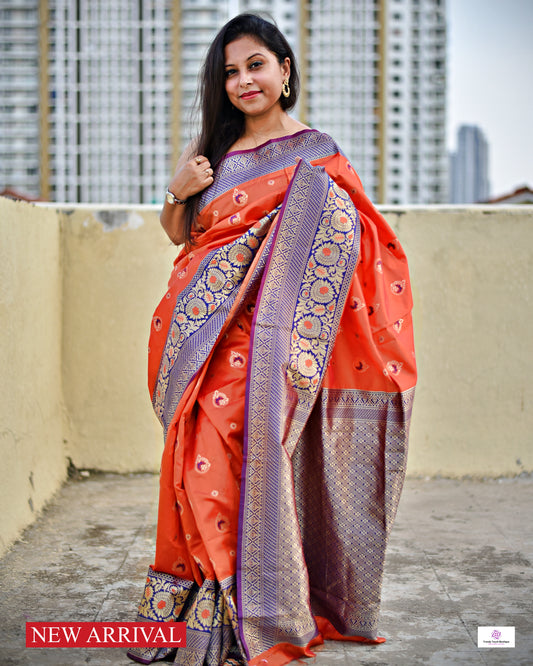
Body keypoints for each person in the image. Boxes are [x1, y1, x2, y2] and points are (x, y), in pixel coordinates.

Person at [128, 13, 416, 666]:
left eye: (254, 64)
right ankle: (207, 594)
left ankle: (243, 604)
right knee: (192, 455)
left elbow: (363, 242)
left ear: (283, 70)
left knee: (232, 452)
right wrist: (178, 190)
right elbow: (183, 236)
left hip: (271, 347)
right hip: (199, 335)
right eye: (229, 71)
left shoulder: (318, 155)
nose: (242, 81)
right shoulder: (214, 150)